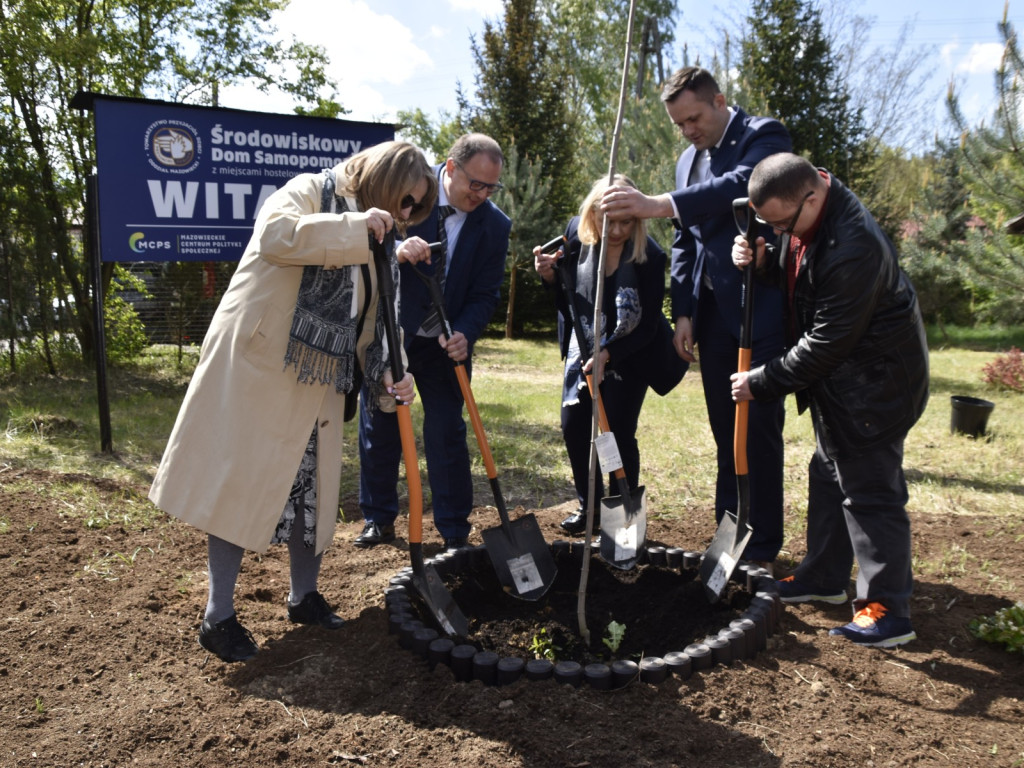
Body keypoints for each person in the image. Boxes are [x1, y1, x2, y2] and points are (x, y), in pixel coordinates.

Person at [149, 141, 437, 663]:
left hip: (320, 380)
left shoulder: (379, 239)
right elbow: (275, 237)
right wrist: (355, 229)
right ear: (382, 181)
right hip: (260, 375)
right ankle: (218, 617)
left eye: (416, 208)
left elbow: (374, 324)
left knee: (316, 495)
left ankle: (304, 598)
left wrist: (394, 375)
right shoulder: (311, 190)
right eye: (405, 201)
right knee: (239, 490)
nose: (407, 215)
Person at [730, 152, 929, 647]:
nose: (776, 234)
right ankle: (823, 577)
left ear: (812, 197)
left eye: (780, 225)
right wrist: (764, 262)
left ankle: (888, 610)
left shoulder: (854, 246)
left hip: (875, 386)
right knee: (828, 473)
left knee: (870, 492)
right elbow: (802, 276)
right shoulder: (814, 216)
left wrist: (761, 381)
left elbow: (825, 343)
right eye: (767, 225)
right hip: (844, 384)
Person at [598, 66, 792, 569]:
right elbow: (686, 242)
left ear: (720, 101)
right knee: (724, 428)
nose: (688, 131)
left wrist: (656, 204)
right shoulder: (688, 161)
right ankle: (730, 532)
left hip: (757, 311)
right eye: (679, 124)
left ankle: (763, 541)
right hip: (710, 318)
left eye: (694, 118)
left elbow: (742, 187)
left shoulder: (763, 136)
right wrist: (682, 311)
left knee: (757, 429)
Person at [355, 134, 511, 550]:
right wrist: (397, 250)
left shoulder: (495, 226)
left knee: (446, 433)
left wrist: (465, 331)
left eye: (490, 187)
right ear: (451, 168)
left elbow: (486, 293)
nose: (481, 194)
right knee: (381, 423)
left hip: (446, 344)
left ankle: (454, 530)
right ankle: (379, 517)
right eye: (474, 184)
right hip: (395, 334)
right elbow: (367, 248)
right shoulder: (409, 198)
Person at [533, 174, 682, 535]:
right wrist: (550, 276)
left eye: (626, 221)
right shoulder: (576, 233)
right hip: (582, 347)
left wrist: (609, 354)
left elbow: (647, 326)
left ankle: (622, 517)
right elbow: (568, 297)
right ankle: (590, 507)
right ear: (592, 214)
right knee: (574, 428)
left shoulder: (650, 257)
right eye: (607, 219)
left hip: (630, 351)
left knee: (615, 433)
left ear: (638, 218)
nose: (616, 230)